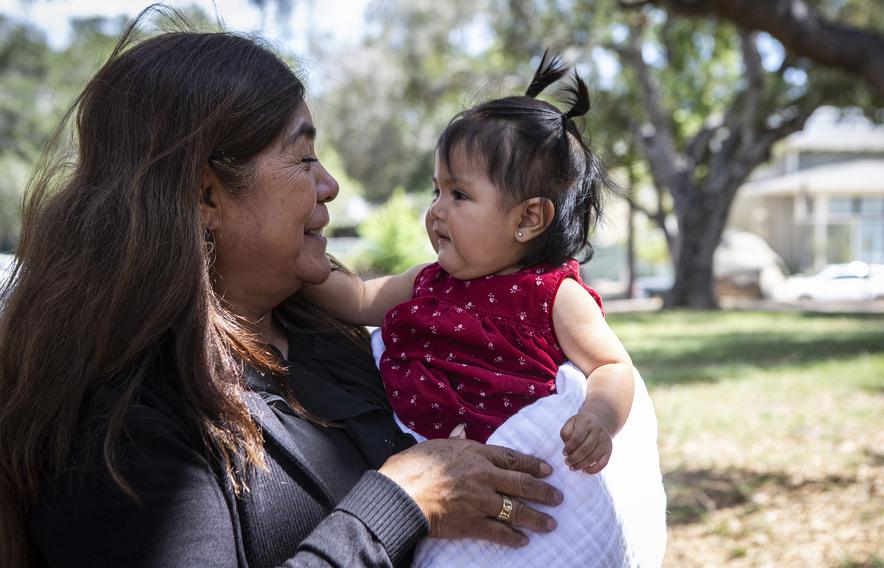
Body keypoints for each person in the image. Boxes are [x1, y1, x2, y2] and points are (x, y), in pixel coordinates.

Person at [0, 18, 568, 568]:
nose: (330, 185)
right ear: (206, 196)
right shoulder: (119, 421)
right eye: (303, 158)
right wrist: (403, 502)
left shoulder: (322, 333)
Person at [303, 53, 634, 474]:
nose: (437, 210)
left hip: (503, 471)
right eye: (435, 191)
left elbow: (611, 365)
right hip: (410, 459)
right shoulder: (429, 281)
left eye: (458, 194)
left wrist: (599, 419)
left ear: (528, 218)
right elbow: (359, 298)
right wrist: (297, 262)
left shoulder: (555, 297)